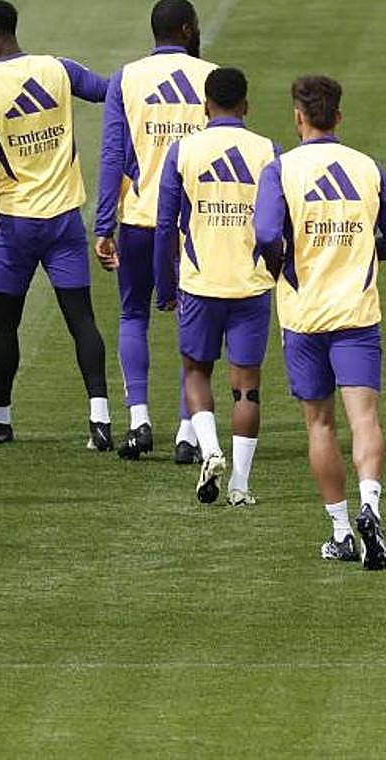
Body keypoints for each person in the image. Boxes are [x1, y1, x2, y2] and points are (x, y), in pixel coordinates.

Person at [0, 0, 113, 450]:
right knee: (82, 320)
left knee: (3, 324)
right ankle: (100, 420)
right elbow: (111, 91)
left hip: (16, 227)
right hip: (64, 223)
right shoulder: (58, 69)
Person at [254, 75, 386, 568]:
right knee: (365, 419)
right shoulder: (368, 168)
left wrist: (278, 264)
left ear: (299, 116)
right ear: (340, 116)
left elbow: (267, 231)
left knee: (320, 424)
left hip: (304, 315)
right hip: (357, 312)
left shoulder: (281, 170)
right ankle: (372, 504)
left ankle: (341, 531)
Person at [94, 0, 216, 462]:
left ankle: (140, 420)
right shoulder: (212, 78)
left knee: (132, 314)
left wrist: (104, 224)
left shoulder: (127, 78)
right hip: (196, 224)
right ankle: (189, 430)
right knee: (194, 323)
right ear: (187, 30)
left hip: (141, 219)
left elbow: (112, 156)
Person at [154, 67, 277, 506]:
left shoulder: (183, 151)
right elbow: (275, 225)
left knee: (196, 371)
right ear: (246, 105)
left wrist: (164, 284)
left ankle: (209, 449)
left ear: (205, 106)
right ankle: (241, 486)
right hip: (251, 284)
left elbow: (165, 224)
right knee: (247, 388)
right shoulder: (267, 152)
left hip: (200, 283)